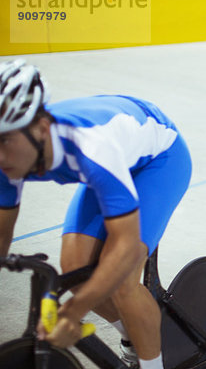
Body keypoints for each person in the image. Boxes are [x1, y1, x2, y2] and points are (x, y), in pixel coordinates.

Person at [0, 59, 192, 369]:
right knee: (76, 268)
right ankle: (132, 342)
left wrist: (74, 311)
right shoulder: (7, 161)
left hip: (160, 159)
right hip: (116, 156)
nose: (0, 155)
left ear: (41, 128)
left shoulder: (93, 148)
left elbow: (125, 248)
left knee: (122, 279)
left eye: (6, 140)